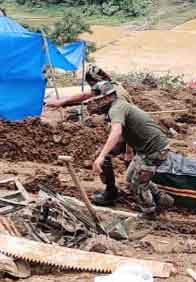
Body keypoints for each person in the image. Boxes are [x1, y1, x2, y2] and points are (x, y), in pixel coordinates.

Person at [46, 64, 132, 205]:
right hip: (127, 131)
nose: (93, 91)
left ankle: (113, 193)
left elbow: (125, 127)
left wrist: (128, 151)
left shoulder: (119, 97)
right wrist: (62, 102)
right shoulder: (109, 87)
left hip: (131, 134)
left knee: (107, 157)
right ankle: (130, 189)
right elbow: (86, 95)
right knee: (129, 163)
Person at [88, 81, 173, 216]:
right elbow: (128, 132)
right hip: (148, 148)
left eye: (98, 100)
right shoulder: (119, 105)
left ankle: (149, 212)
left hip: (154, 151)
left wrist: (102, 156)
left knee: (137, 184)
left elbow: (117, 132)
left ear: (108, 97)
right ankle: (161, 198)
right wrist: (125, 151)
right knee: (129, 179)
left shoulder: (116, 109)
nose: (97, 104)